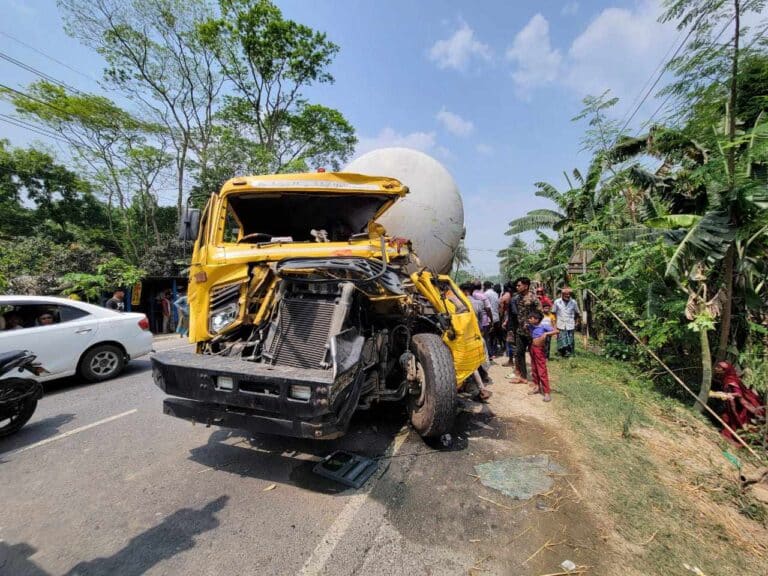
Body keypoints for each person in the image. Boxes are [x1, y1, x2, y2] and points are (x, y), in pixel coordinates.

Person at [713, 361, 765, 443]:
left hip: (742, 406)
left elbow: (738, 394)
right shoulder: (729, 377)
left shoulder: (730, 381)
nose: (716, 369)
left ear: (724, 371)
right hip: (737, 403)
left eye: (719, 368)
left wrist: (727, 394)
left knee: (740, 422)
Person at [508, 277, 542, 384]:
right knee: (519, 353)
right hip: (520, 331)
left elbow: (540, 313)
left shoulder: (533, 298)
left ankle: (537, 380)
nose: (517, 287)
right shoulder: (517, 298)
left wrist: (534, 323)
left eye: (519, 285)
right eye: (517, 286)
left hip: (532, 332)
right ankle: (523, 376)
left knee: (534, 355)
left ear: (526, 286)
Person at [527, 310, 557, 402]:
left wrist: (546, 334)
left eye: (531, 318)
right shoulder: (530, 326)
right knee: (534, 368)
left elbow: (557, 331)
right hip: (532, 348)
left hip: (539, 350)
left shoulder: (544, 326)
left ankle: (547, 392)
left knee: (542, 370)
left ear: (536, 319)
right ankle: (537, 386)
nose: (529, 319)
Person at [553, 287, 580, 357]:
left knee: (570, 339)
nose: (567, 296)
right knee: (561, 339)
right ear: (562, 294)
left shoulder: (573, 302)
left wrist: (577, 322)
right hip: (560, 323)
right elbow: (553, 313)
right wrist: (554, 324)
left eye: (569, 295)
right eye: (566, 295)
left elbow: (577, 313)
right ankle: (561, 353)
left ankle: (570, 353)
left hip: (570, 324)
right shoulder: (557, 302)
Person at [483, 281, 501, 358]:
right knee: (495, 336)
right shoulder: (495, 294)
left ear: (485, 286)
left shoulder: (485, 294)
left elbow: (487, 308)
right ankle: (495, 351)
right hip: (496, 317)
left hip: (490, 318)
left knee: (489, 337)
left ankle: (491, 353)